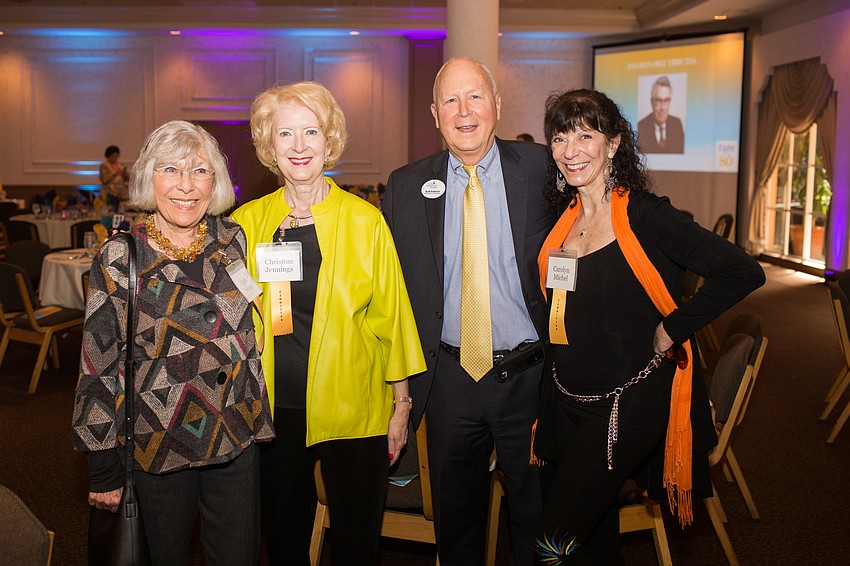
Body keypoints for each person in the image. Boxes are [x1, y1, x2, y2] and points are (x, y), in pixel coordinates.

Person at [533, 89, 764, 564]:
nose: (571, 150)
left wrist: (674, 327)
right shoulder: (564, 218)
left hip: (623, 407)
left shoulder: (645, 215)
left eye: (585, 135)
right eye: (560, 138)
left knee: (551, 542)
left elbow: (742, 271)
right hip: (565, 400)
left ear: (613, 144)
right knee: (594, 540)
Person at [230, 81, 426, 566]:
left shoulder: (365, 221)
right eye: (285, 135)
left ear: (329, 140)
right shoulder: (247, 222)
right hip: (273, 411)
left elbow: (393, 317)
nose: (299, 146)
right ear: (268, 146)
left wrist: (400, 404)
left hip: (355, 406)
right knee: (283, 539)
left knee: (358, 543)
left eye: (311, 132)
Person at [72, 120, 275, 565]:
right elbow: (98, 366)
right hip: (159, 442)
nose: (186, 186)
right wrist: (103, 467)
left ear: (215, 182)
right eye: (171, 170)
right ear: (149, 179)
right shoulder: (122, 256)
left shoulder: (231, 240)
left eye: (200, 172)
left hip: (235, 436)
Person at [383, 57, 556, 566]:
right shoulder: (405, 186)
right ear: (434, 114)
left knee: (539, 511)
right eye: (451, 101)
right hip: (449, 381)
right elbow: (388, 289)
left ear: (497, 106)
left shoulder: (545, 169)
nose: (465, 111)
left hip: (532, 374)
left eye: (475, 97)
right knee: (456, 520)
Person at [637, 76, 685, 154]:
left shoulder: (677, 124)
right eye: (658, 101)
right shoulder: (641, 127)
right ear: (652, 102)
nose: (662, 107)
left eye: (666, 100)